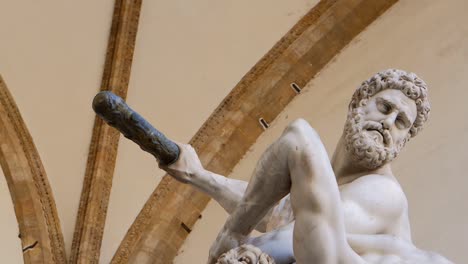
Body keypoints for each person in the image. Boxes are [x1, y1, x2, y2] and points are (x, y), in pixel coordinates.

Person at [160, 69, 452, 264]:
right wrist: (199, 176)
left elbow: (290, 233)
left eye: (401, 123)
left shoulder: (382, 193)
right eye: (385, 108)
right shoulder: (329, 195)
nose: (389, 123)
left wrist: (231, 238)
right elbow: (281, 210)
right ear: (357, 105)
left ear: (403, 142)